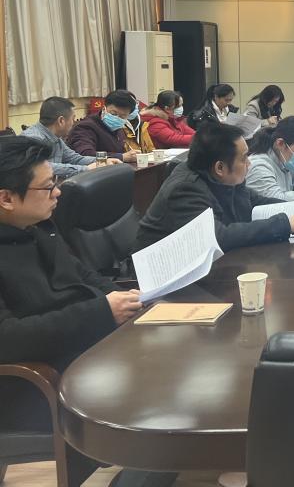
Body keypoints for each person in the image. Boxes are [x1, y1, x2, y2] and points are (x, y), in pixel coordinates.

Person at [0, 137, 177, 487]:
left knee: (177, 355)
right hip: (32, 385)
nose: (58, 193)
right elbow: (8, 338)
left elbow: (80, 274)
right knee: (165, 397)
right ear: (6, 198)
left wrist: (120, 297)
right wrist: (101, 312)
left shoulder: (37, 226)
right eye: (48, 187)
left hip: (83, 352)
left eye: (56, 182)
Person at [136, 122, 294, 253]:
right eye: (244, 158)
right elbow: (217, 237)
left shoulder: (225, 177)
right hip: (156, 276)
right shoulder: (185, 189)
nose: (249, 163)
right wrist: (283, 224)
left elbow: (256, 201)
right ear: (220, 167)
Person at [21, 96, 104, 178]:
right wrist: (85, 169)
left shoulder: (56, 138)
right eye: (73, 119)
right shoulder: (32, 138)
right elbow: (40, 167)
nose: (74, 123)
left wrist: (103, 160)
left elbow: (75, 159)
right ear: (61, 121)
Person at [67, 90, 139, 163]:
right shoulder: (85, 127)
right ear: (104, 108)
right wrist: (121, 157)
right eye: (113, 114)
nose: (117, 118)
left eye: (122, 116)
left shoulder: (119, 127)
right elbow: (86, 154)